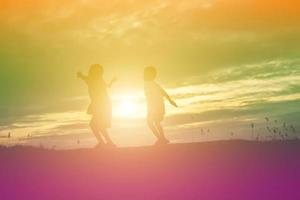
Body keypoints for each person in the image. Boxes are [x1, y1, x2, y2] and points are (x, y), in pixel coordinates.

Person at [78, 64, 117, 147]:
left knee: (95, 125)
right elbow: (108, 86)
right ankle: (107, 143)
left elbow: (86, 78)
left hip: (101, 104)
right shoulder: (99, 80)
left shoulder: (93, 80)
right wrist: (112, 81)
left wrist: (80, 76)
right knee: (99, 125)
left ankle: (105, 143)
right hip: (103, 104)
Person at [144, 66, 178, 144]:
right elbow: (163, 92)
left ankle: (161, 139)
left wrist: (170, 101)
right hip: (155, 106)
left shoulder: (150, 83)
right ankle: (162, 139)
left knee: (151, 122)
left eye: (145, 73)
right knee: (155, 123)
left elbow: (162, 92)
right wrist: (170, 101)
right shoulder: (151, 83)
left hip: (155, 107)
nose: (144, 75)